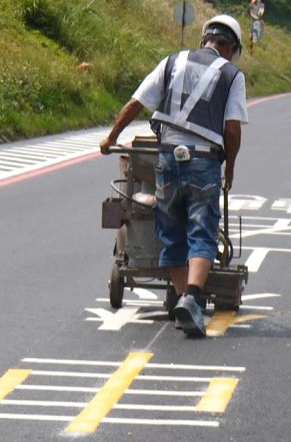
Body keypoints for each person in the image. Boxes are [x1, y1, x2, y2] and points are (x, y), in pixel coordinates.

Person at [100, 15, 249, 339]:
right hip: (204, 161)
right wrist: (231, 167)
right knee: (202, 229)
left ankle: (186, 304)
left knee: (171, 231)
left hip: (167, 158)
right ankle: (192, 298)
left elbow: (137, 103)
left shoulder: (172, 61)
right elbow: (232, 128)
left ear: (204, 39)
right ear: (231, 48)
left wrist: (111, 138)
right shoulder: (232, 75)